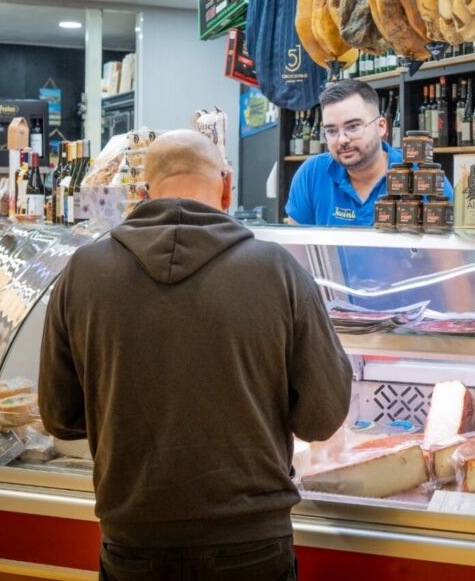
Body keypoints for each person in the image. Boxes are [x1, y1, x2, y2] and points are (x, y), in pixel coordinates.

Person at [39, 129, 352, 580]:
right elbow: (321, 418)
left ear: (143, 194)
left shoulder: (83, 271)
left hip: (133, 540)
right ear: (227, 185)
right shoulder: (278, 270)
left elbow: (59, 416)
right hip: (252, 542)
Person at [285, 79, 452, 225]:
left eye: (353, 127)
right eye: (331, 131)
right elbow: (297, 252)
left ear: (381, 127)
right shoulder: (312, 173)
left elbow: (448, 257)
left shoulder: (423, 176)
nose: (342, 139)